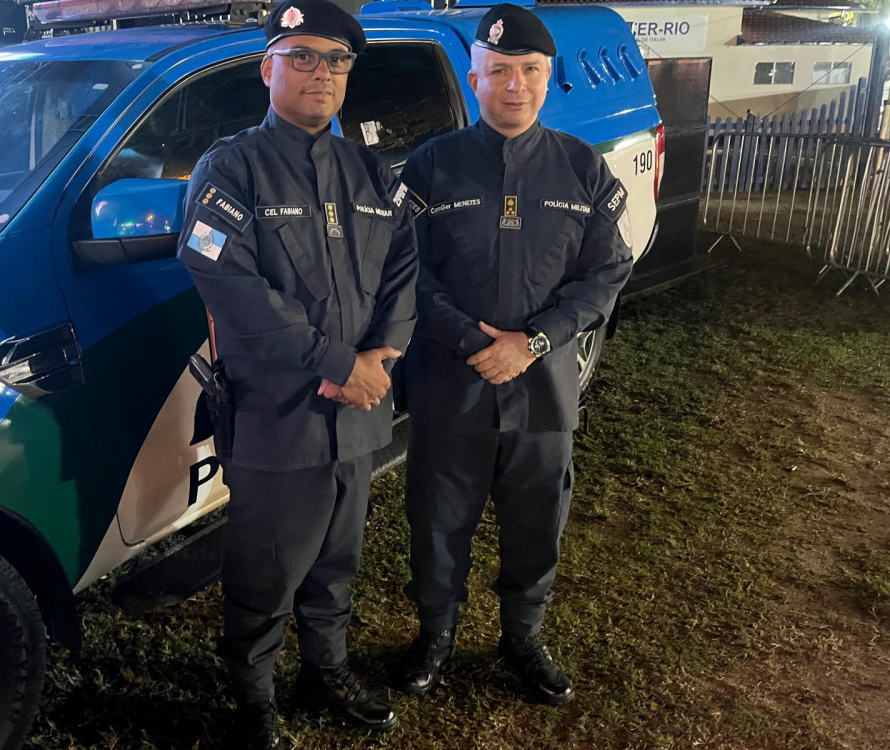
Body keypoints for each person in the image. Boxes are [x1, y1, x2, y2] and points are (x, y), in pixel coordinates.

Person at [176, 1, 418, 747]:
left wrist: (381, 356)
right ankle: (253, 697)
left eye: (337, 60)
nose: (322, 73)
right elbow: (229, 283)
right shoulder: (232, 168)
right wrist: (339, 363)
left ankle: (325, 669)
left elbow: (405, 268)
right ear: (267, 69)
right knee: (267, 567)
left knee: (338, 558)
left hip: (359, 410)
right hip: (279, 414)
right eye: (302, 56)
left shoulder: (370, 170)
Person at [394, 3, 633, 706]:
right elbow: (406, 272)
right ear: (474, 77)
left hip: (542, 389)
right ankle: (435, 633)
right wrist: (474, 341)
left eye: (529, 70)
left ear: (549, 77)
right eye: (498, 70)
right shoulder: (431, 165)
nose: (514, 85)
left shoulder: (581, 168)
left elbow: (606, 272)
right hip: (452, 383)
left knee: (537, 522)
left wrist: (535, 341)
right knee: (438, 520)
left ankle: (522, 635)